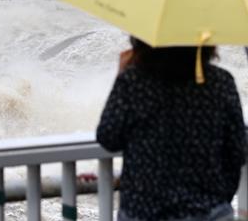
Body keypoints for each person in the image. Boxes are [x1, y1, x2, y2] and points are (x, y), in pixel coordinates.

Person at [97, 37, 247, 221]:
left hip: (143, 211)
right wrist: (220, 199)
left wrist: (122, 74)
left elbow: (108, 137)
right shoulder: (221, 83)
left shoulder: (133, 81)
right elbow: (237, 150)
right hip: (208, 212)